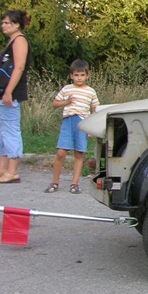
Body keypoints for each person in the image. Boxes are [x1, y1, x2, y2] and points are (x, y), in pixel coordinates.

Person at [45, 60, 100, 194]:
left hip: (82, 123)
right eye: (76, 75)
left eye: (82, 75)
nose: (79, 78)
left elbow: (95, 109)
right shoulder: (67, 89)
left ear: (87, 75)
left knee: (79, 153)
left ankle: (74, 184)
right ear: (71, 76)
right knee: (61, 153)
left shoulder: (91, 91)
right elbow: (55, 103)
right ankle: (54, 182)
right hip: (68, 121)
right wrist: (66, 102)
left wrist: (92, 128)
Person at [0, 10, 31, 184]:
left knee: (10, 130)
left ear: (16, 24)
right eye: (3, 22)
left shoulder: (20, 41)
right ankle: (2, 168)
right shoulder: (11, 41)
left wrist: (9, 91)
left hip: (10, 93)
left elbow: (19, 67)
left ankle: (12, 171)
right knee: (1, 131)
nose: (3, 25)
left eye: (7, 23)